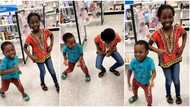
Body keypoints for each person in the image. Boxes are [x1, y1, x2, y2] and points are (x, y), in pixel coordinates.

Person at [149, 4, 187, 104]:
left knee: (177, 80)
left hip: (176, 58)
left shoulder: (178, 29)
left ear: (173, 17)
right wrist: (158, 50)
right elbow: (148, 45)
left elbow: (185, 34)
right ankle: (168, 95)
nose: (167, 20)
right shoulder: (156, 34)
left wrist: (182, 47)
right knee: (169, 80)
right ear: (159, 19)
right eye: (164, 18)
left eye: (170, 17)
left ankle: (178, 95)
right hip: (165, 61)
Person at [24, 12, 59, 93]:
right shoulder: (29, 37)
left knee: (52, 70)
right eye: (32, 23)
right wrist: (31, 57)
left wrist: (51, 45)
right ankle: (42, 83)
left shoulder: (45, 31)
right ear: (29, 25)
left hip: (47, 55)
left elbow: (52, 35)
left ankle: (56, 83)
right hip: (38, 58)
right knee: (43, 71)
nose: (35, 24)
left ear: (40, 21)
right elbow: (25, 48)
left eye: (36, 21)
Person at [128, 40, 156, 106]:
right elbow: (129, 71)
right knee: (134, 89)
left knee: (148, 95)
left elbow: (154, 72)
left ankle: (149, 104)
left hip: (146, 83)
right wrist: (128, 81)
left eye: (140, 52)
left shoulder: (150, 61)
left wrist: (152, 79)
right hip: (135, 80)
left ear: (147, 52)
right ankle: (135, 96)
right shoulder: (133, 61)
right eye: (135, 52)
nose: (137, 54)